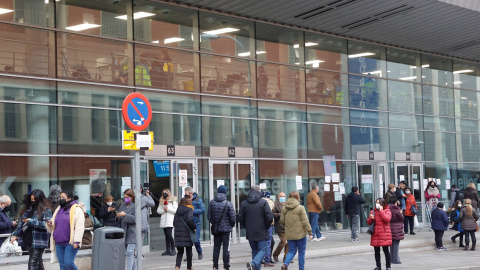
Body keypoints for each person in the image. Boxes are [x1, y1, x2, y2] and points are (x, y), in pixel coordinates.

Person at [11, 189, 53, 269]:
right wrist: (15, 235)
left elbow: (48, 226)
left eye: (34, 199)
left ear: (39, 199)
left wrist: (31, 222)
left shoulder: (46, 210)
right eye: (31, 199)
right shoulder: (29, 209)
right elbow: (22, 223)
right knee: (39, 263)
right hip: (29, 239)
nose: (33, 201)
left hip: (39, 241)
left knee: (32, 264)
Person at [238, 185, 274, 270]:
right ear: (259, 192)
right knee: (263, 250)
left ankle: (254, 266)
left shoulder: (244, 203)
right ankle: (253, 263)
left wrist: (246, 226)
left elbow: (240, 218)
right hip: (262, 230)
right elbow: (269, 217)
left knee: (255, 251)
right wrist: (266, 226)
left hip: (250, 231)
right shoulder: (263, 202)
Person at [47, 190, 85, 270]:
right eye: (60, 197)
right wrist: (50, 224)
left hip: (70, 243)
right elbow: (54, 222)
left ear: (69, 198)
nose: (61, 199)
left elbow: (80, 226)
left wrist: (77, 241)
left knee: (68, 263)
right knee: (62, 265)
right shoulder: (59, 209)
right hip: (59, 242)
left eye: (63, 197)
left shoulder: (76, 209)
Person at [280, 191, 312, 270]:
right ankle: (301, 268)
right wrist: (310, 232)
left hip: (290, 234)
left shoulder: (284, 208)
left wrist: (288, 226)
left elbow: (281, 221)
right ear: (298, 197)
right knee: (301, 252)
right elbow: (305, 221)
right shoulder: (300, 208)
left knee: (291, 251)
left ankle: (285, 264)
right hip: (300, 234)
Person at [208, 185, 236, 270]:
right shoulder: (228, 203)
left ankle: (215, 266)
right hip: (226, 230)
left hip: (216, 229)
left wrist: (214, 223)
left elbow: (209, 216)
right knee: (226, 248)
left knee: (216, 248)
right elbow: (233, 217)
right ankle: (226, 266)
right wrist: (231, 225)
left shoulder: (211, 202)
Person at [368, 198, 392, 270]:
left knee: (386, 250)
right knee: (376, 251)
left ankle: (388, 266)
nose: (377, 204)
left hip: (384, 233)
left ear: (383, 204)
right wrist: (371, 218)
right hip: (376, 233)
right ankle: (378, 266)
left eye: (378, 203)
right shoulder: (373, 211)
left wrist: (381, 211)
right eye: (376, 202)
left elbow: (387, 219)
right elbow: (369, 222)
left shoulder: (387, 210)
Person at [116, 189, 137, 270]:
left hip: (132, 233)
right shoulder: (123, 205)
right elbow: (120, 220)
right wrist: (118, 216)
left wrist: (125, 215)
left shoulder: (135, 206)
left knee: (129, 252)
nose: (126, 199)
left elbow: (135, 219)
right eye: (124, 197)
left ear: (132, 197)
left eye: (127, 197)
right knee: (130, 254)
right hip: (124, 232)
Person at [174, 197, 196, 270]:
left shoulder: (178, 210)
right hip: (187, 233)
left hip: (179, 234)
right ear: (188, 203)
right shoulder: (189, 210)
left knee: (180, 251)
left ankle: (177, 266)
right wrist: (194, 227)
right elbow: (190, 220)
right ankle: (189, 267)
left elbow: (174, 222)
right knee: (189, 251)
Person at [184, 186, 205, 260]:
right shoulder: (185, 200)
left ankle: (199, 252)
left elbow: (203, 210)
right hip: (187, 222)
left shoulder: (197, 200)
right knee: (188, 240)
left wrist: (193, 211)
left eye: (186, 194)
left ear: (191, 193)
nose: (185, 195)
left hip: (196, 222)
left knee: (196, 240)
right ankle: (189, 255)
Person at [157, 188, 178, 256]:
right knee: (166, 236)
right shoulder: (162, 201)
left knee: (169, 234)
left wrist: (168, 209)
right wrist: (164, 210)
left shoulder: (172, 201)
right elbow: (158, 211)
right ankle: (167, 249)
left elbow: (175, 210)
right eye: (163, 192)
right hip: (164, 220)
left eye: (166, 192)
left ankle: (173, 249)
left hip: (170, 220)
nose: (164, 193)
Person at [272, 192, 289, 263]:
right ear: (278, 197)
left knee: (289, 243)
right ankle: (275, 254)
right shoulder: (275, 204)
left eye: (284, 196)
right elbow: (272, 214)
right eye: (281, 196)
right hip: (280, 226)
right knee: (284, 242)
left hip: (288, 226)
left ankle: (286, 258)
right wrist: (280, 214)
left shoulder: (288, 204)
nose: (282, 197)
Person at [387, 197, 403, 264]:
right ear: (395, 202)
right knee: (396, 245)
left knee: (391, 245)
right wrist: (401, 213)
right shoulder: (397, 210)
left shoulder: (387, 209)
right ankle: (396, 259)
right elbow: (401, 218)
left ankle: (391, 259)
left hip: (389, 227)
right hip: (396, 228)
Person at [261, 191, 275, 267]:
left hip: (260, 225)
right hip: (269, 224)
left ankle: (260, 258)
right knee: (268, 242)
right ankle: (267, 260)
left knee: (261, 242)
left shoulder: (259, 202)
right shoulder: (271, 202)